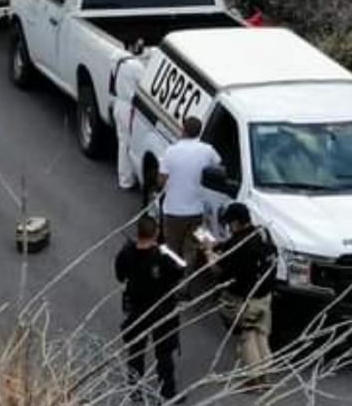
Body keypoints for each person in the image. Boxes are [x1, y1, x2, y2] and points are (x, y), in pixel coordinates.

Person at [114, 215, 185, 401]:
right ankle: (167, 394)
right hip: (162, 311)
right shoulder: (162, 255)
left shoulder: (126, 252)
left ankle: (135, 393)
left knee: (136, 353)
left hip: (136, 309)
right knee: (164, 354)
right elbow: (180, 270)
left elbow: (120, 276)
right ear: (156, 233)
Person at [203, 203, 276, 381]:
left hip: (246, 299)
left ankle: (254, 379)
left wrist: (208, 254)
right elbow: (232, 243)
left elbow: (219, 271)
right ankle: (267, 372)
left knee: (247, 336)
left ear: (235, 222)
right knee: (261, 334)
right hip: (265, 295)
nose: (229, 227)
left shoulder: (238, 246)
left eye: (229, 223)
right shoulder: (261, 233)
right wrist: (219, 246)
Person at [158, 116, 221, 270]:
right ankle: (185, 284)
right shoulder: (207, 150)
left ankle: (172, 280)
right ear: (199, 132)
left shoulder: (171, 151)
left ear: (183, 129)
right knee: (190, 249)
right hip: (196, 211)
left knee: (172, 249)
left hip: (173, 210)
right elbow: (219, 166)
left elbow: (161, 180)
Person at [111, 40, 147, 191]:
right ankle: (128, 178)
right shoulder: (136, 66)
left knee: (123, 142)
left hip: (119, 103)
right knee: (130, 144)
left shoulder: (115, 59)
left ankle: (124, 178)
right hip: (129, 108)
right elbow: (144, 84)